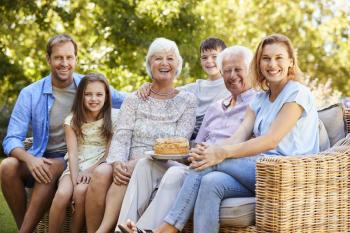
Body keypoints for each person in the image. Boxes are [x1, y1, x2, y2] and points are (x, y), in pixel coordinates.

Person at [120, 34, 320, 233]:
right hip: (259, 172)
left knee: (208, 163)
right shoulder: (259, 100)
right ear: (259, 64)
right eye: (266, 58)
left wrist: (219, 155)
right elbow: (238, 136)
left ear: (291, 62)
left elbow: (271, 140)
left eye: (279, 58)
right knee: (210, 182)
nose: (272, 64)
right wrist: (213, 150)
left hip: (289, 172)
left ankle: (163, 230)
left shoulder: (297, 93)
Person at [116, 45, 257, 232]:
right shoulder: (215, 107)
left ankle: (147, 230)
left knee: (175, 174)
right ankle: (124, 228)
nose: (232, 76)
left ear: (250, 70)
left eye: (238, 69)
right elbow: (195, 145)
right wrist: (148, 86)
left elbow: (253, 148)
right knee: (145, 164)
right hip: (196, 163)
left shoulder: (257, 103)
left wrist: (208, 155)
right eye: (227, 71)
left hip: (224, 169)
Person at [0, 34, 126, 233]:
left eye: (69, 57)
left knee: (47, 171)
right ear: (48, 59)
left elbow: (126, 99)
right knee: (7, 166)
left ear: (76, 59)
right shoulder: (30, 93)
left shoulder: (87, 87)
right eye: (59, 57)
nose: (64, 63)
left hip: (68, 157)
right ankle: (24, 227)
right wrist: (30, 160)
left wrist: (150, 90)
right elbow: (11, 139)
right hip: (40, 155)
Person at [84, 37, 196, 233]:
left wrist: (132, 163)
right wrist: (117, 162)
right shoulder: (135, 98)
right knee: (104, 172)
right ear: (149, 64)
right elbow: (121, 136)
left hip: (166, 163)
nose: (164, 63)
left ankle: (110, 229)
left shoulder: (187, 100)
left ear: (177, 64)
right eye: (158, 58)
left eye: (170, 58)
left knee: (135, 168)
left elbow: (179, 143)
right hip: (130, 160)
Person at [48, 73, 119, 233]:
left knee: (81, 192)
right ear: (81, 96)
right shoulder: (72, 120)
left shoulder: (114, 117)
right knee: (62, 195)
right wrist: (74, 182)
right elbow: (72, 154)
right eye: (88, 94)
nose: (94, 99)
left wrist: (89, 172)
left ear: (107, 95)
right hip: (76, 167)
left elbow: (108, 154)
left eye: (99, 94)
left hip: (98, 167)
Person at [137, 37, 229, 139]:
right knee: (132, 99)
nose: (209, 61)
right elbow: (163, 93)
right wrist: (147, 85)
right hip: (188, 138)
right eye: (204, 57)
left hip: (211, 139)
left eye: (214, 56)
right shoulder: (194, 88)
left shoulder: (230, 87)